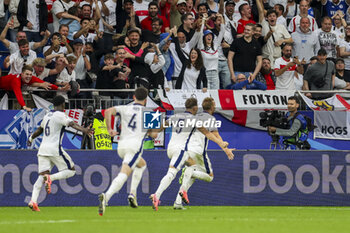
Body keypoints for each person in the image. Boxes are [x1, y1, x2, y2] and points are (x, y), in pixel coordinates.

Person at [149, 97, 232, 211]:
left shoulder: (175, 116)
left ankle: (179, 200)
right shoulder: (194, 119)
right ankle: (156, 195)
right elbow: (208, 133)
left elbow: (161, 127)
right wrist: (221, 144)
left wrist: (153, 133)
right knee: (172, 173)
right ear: (195, 108)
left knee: (192, 165)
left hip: (171, 149)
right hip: (181, 150)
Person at [26, 95, 93, 211]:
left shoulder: (47, 115)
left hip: (42, 150)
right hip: (54, 149)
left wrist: (31, 138)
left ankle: (33, 201)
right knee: (71, 170)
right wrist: (85, 130)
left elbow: (40, 130)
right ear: (63, 105)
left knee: (41, 177)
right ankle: (51, 178)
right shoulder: (61, 115)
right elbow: (72, 124)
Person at [172, 98, 234, 209]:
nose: (215, 107)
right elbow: (216, 135)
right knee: (210, 177)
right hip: (199, 151)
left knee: (190, 178)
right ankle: (190, 173)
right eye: (214, 105)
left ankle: (177, 202)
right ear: (211, 107)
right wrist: (226, 149)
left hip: (187, 149)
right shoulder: (211, 119)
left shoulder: (195, 117)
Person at [98, 87, 151, 216]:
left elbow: (108, 112)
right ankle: (107, 197)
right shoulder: (149, 112)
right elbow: (154, 135)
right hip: (134, 147)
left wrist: (110, 129)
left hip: (121, 146)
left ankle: (132, 194)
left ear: (134, 97)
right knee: (124, 173)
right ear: (146, 99)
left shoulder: (125, 108)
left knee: (142, 165)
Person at [0, 65, 67, 111]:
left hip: (7, 90)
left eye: (30, 74)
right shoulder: (16, 80)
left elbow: (45, 83)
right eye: (27, 74)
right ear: (22, 74)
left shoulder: (30, 78)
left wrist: (59, 88)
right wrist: (24, 106)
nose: (29, 76)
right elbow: (18, 94)